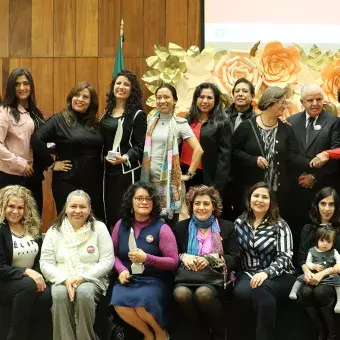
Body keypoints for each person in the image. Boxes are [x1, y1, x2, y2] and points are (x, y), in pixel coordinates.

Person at [40, 189, 114, 340]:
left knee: (85, 292)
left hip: (92, 279)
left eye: (82, 207)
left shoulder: (99, 228)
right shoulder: (54, 231)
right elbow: (46, 263)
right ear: (66, 208)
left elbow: (107, 261)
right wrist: (65, 279)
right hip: (62, 278)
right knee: (60, 293)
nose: (78, 211)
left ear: (89, 208)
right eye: (73, 206)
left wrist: (82, 277)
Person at [110, 182, 178, 340]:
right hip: (129, 277)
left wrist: (148, 258)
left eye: (148, 199)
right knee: (119, 302)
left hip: (155, 279)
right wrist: (121, 270)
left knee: (142, 305)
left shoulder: (162, 228)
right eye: (139, 198)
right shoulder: (121, 225)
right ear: (131, 202)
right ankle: (147, 334)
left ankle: (160, 332)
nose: (144, 202)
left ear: (153, 203)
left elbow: (173, 261)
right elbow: (112, 255)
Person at [231, 86, 309, 220]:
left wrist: (312, 163)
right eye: (282, 102)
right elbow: (233, 152)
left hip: (279, 195)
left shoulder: (286, 129)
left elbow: (292, 156)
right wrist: (253, 159)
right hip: (251, 193)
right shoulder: (246, 127)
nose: (285, 106)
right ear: (270, 102)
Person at [173, 185, 240, 340]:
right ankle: (201, 330)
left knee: (203, 294)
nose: (201, 208)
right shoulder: (181, 227)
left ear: (214, 206)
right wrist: (183, 256)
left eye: (206, 203)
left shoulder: (227, 227)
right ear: (191, 206)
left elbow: (235, 257)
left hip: (215, 279)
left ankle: (218, 330)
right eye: (197, 203)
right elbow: (172, 255)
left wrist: (211, 258)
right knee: (180, 294)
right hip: (187, 277)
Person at [31, 82, 104, 218]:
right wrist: (51, 164)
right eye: (77, 95)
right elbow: (36, 140)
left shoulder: (95, 123)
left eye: (85, 97)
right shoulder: (59, 120)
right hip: (68, 182)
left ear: (91, 102)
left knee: (92, 224)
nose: (80, 99)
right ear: (71, 98)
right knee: (68, 222)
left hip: (94, 183)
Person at [233, 182, 295, 340]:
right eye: (256, 196)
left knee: (260, 290)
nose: (260, 200)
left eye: (265, 197)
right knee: (240, 292)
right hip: (247, 272)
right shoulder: (239, 224)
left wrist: (266, 273)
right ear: (249, 199)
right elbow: (234, 252)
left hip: (280, 274)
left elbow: (285, 257)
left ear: (271, 202)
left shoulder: (280, 225)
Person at [141, 84, 203, 227]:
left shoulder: (180, 124)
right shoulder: (151, 122)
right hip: (149, 182)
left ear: (174, 100)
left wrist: (189, 174)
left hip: (170, 185)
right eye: (159, 97)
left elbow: (198, 150)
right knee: (149, 223)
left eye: (166, 97)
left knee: (169, 226)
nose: (162, 101)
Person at [0, 185, 51, 340]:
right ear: (3, 205)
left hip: (28, 281)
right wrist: (27, 272)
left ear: (26, 209)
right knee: (28, 286)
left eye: (20, 207)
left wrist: (37, 274)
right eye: (11, 206)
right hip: (5, 282)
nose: (15, 211)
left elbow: (39, 258)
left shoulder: (32, 228)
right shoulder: (1, 229)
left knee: (46, 294)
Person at [287, 84, 340, 231]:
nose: (315, 103)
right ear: (302, 102)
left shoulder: (333, 122)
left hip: (323, 187)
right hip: (296, 186)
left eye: (319, 99)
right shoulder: (291, 121)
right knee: (297, 229)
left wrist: (314, 177)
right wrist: (308, 169)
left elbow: (335, 155)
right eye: (310, 100)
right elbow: (289, 154)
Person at [100, 70, 147, 228]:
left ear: (132, 90)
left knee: (124, 213)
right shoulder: (106, 113)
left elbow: (141, 146)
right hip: (107, 171)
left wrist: (125, 157)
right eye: (118, 83)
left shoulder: (137, 115)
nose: (121, 86)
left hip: (127, 172)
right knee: (108, 211)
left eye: (126, 84)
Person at [297, 187, 340, 340]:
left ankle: (333, 333)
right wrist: (307, 272)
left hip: (333, 275)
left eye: (331, 204)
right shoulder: (308, 229)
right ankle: (320, 330)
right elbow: (302, 257)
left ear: (336, 207)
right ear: (317, 205)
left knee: (320, 292)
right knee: (305, 292)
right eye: (323, 203)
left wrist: (322, 273)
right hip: (311, 274)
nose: (327, 209)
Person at [0, 68, 46, 213]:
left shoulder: (36, 111)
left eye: (26, 83)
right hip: (12, 176)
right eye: (17, 84)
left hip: (34, 175)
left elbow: (40, 140)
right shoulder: (4, 111)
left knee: (34, 219)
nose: (22, 88)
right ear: (11, 88)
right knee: (12, 221)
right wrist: (21, 164)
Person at [180, 82, 232, 194]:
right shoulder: (188, 118)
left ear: (216, 100)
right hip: (184, 171)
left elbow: (225, 156)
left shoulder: (223, 122)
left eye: (209, 98)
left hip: (205, 175)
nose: (205, 101)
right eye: (201, 97)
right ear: (196, 99)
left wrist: (217, 186)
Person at [289, 226, 340, 312]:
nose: (325, 244)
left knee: (338, 283)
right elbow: (307, 262)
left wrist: (336, 266)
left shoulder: (334, 251)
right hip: (313, 274)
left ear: (333, 243)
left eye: (328, 241)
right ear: (317, 240)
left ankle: (339, 302)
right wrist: (314, 266)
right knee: (300, 279)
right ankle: (293, 291)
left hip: (329, 275)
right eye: (322, 240)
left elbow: (339, 260)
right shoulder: (312, 251)